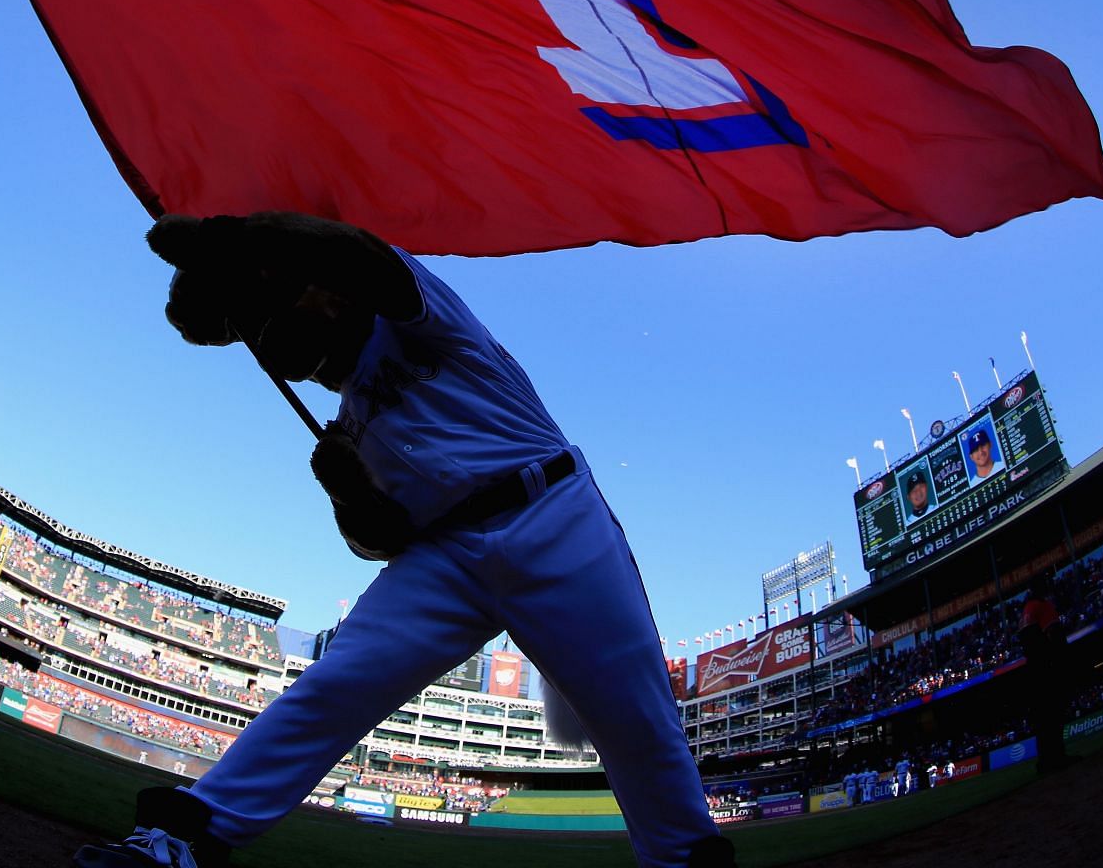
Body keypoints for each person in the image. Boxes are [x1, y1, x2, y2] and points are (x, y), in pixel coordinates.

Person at [77, 212, 734, 868]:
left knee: (635, 718)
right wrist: (348, 492)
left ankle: (684, 860)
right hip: (445, 555)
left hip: (550, 513)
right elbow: (380, 540)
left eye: (297, 298)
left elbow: (368, 262)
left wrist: (241, 242)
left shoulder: (418, 317)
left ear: (331, 295)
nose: (288, 327)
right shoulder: (348, 421)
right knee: (338, 682)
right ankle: (188, 837)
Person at [1017, 577, 1072, 774]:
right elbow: (1055, 635)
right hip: (1047, 667)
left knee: (1042, 719)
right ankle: (1057, 757)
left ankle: (1045, 762)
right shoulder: (1043, 606)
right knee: (1054, 714)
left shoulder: (1025, 611)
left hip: (1032, 670)